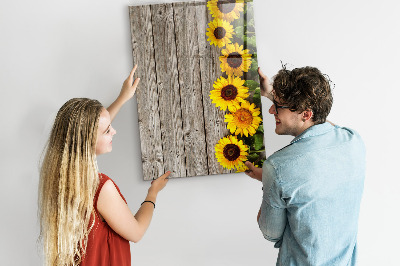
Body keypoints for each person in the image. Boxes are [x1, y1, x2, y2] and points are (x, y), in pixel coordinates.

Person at [38, 65, 170, 266]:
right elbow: (136, 232)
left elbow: (90, 130)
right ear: (88, 140)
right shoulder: (100, 188)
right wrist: (153, 193)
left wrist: (122, 97)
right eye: (108, 131)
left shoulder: (59, 177)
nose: (114, 132)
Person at [245, 66, 365, 265]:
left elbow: (270, 233)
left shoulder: (277, 167)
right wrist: (271, 94)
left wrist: (269, 180)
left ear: (306, 114)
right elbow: (323, 125)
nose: (271, 110)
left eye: (278, 106)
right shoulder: (353, 141)